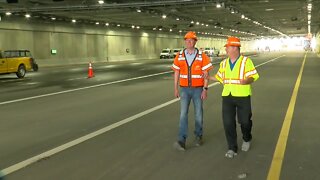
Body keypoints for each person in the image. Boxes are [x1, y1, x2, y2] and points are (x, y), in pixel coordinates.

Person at [209, 36, 259, 158]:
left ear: (235, 48)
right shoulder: (224, 63)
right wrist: (208, 78)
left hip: (242, 95)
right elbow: (220, 78)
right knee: (228, 122)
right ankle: (232, 148)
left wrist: (246, 81)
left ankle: (247, 138)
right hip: (227, 96)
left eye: (228, 47)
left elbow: (253, 76)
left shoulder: (246, 61)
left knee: (245, 121)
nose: (226, 49)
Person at [171, 31, 213, 151]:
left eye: (192, 40)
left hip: (198, 90)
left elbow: (206, 73)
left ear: (195, 42)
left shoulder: (202, 56)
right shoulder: (179, 56)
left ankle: (198, 136)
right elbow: (176, 72)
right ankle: (181, 140)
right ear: (185, 42)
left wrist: (205, 89)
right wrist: (175, 88)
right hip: (184, 90)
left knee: (198, 114)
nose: (189, 42)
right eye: (187, 40)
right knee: (183, 115)